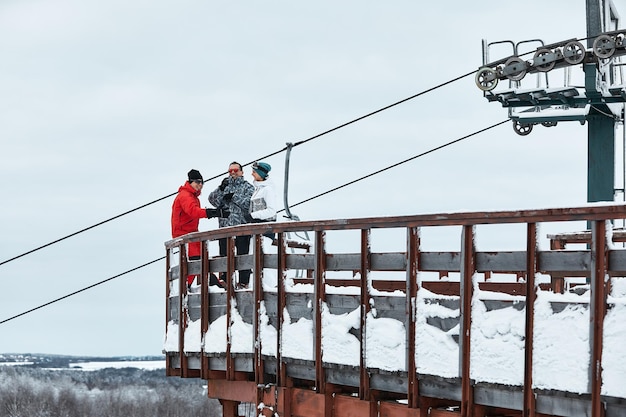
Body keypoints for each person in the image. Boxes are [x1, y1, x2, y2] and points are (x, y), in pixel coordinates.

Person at [171, 169, 229, 288]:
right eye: (197, 182)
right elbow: (193, 212)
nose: (200, 185)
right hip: (184, 235)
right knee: (196, 260)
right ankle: (191, 285)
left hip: (191, 234)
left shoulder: (192, 196)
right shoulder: (185, 196)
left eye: (202, 183)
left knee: (199, 259)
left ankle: (192, 285)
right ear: (190, 182)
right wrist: (213, 213)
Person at [208, 161, 255, 289]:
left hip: (242, 227)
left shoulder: (248, 187)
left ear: (241, 172)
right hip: (225, 228)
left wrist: (234, 197)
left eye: (235, 170)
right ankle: (225, 281)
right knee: (224, 255)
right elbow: (212, 200)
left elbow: (250, 204)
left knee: (243, 255)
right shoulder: (225, 187)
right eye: (230, 171)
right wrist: (221, 188)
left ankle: (243, 282)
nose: (233, 173)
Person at [245, 161, 277, 228]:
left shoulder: (268, 190)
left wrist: (253, 216)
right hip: (256, 229)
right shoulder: (257, 190)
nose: (252, 174)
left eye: (254, 172)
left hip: (266, 229)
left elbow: (271, 211)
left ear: (260, 174)